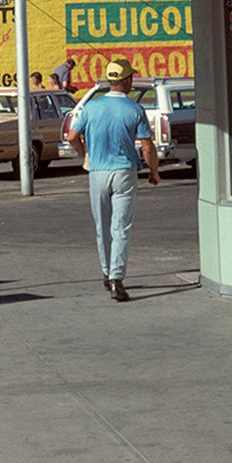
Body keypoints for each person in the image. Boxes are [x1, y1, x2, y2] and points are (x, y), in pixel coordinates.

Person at [68, 57, 158, 302]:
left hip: (97, 172)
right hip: (124, 172)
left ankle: (107, 273)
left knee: (102, 226)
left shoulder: (92, 107)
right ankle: (118, 278)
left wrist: (84, 154)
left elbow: (72, 135)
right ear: (126, 80)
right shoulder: (134, 109)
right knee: (121, 227)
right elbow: (147, 147)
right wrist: (153, 172)